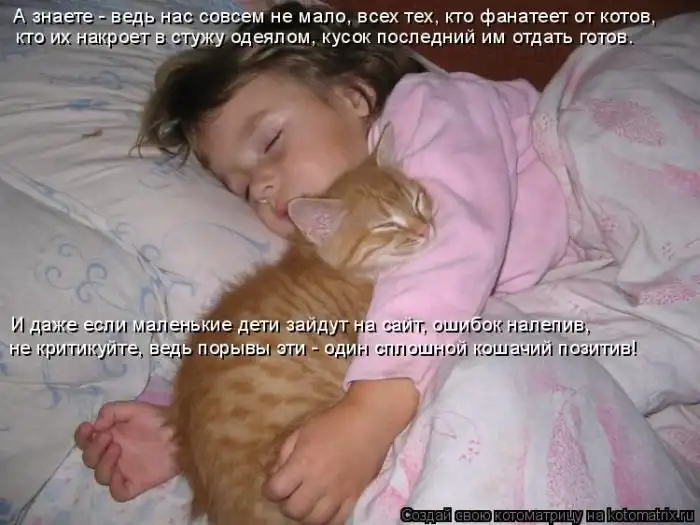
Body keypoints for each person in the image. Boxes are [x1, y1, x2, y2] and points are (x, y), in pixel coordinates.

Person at [75, 1, 575, 523]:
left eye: (270, 141)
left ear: (355, 95)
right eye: (243, 188)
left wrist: (372, 411)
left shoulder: (431, 106)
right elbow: (307, 339)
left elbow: (454, 252)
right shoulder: (349, 250)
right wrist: (192, 436)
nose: (262, 186)